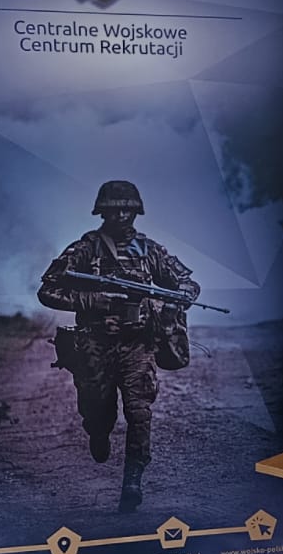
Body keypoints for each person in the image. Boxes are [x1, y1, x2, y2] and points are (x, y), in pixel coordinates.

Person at [38, 180, 199, 512]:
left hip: (137, 345)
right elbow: (48, 290)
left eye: (127, 209)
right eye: (114, 210)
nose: (121, 216)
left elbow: (187, 282)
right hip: (95, 345)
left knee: (139, 412)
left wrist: (178, 298)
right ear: (103, 212)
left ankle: (133, 480)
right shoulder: (86, 249)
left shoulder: (150, 251)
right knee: (98, 409)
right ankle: (98, 432)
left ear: (136, 211)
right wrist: (93, 300)